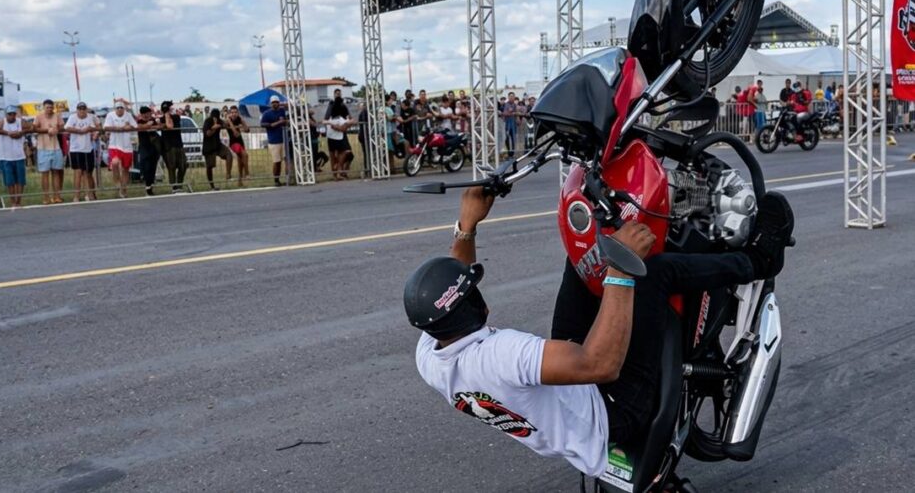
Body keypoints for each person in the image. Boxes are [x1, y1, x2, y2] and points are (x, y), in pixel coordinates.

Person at [406, 187, 794, 476]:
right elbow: (601, 365)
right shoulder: (501, 354)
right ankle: (759, 259)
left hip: (567, 397)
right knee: (653, 273)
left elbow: (453, 288)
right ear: (479, 306)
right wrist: (621, 268)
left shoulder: (431, 354)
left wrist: (468, 226)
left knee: (583, 258)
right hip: (612, 409)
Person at [0, 106, 27, 208]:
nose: (12, 116)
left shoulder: (20, 122)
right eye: (10, 114)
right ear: (6, 114)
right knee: (10, 181)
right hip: (5, 156)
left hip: (19, 155)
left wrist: (21, 133)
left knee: (20, 180)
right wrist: (6, 133)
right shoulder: (2, 122)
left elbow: (31, 128)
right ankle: (13, 201)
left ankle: (18, 201)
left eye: (13, 114)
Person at [31, 99, 65, 204]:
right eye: (47, 107)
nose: (49, 109)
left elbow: (62, 127)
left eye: (51, 107)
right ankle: (46, 197)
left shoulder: (57, 116)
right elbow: (34, 128)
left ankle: (57, 196)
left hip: (56, 147)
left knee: (56, 172)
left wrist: (57, 130)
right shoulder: (39, 117)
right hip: (43, 147)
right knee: (44, 173)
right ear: (44, 107)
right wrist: (47, 130)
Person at [65, 101, 100, 202]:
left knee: (87, 172)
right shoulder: (72, 117)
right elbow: (67, 127)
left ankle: (89, 194)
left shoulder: (90, 117)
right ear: (77, 110)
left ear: (86, 109)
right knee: (78, 172)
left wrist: (93, 131)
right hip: (76, 148)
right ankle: (76, 195)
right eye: (80, 109)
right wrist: (80, 131)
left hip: (88, 148)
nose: (82, 111)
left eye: (83, 109)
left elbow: (97, 126)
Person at [104, 101, 137, 198]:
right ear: (115, 109)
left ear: (124, 109)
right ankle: (118, 183)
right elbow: (106, 127)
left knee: (126, 169)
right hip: (114, 145)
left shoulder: (128, 115)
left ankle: (123, 188)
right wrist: (121, 128)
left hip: (127, 146)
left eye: (121, 108)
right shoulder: (110, 115)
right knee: (114, 163)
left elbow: (134, 126)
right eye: (117, 108)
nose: (119, 109)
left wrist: (128, 126)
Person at [159, 100, 188, 193]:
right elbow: (163, 124)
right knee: (171, 167)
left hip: (178, 144)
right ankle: (174, 187)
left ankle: (179, 184)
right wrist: (165, 117)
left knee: (183, 165)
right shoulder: (161, 119)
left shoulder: (176, 117)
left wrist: (166, 118)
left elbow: (170, 126)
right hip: (168, 146)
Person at [201, 108, 233, 190]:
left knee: (229, 154)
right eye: (214, 117)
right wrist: (213, 128)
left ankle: (228, 174)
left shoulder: (219, 120)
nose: (215, 119)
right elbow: (207, 134)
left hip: (217, 144)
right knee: (210, 166)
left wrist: (227, 121)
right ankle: (212, 186)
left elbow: (225, 126)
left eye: (216, 117)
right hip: (208, 146)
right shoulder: (208, 121)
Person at [261, 97, 288, 186]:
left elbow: (285, 120)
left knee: (286, 160)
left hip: (284, 139)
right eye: (273, 102)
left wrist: (284, 121)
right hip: (273, 141)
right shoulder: (267, 113)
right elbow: (262, 124)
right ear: (270, 104)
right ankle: (276, 180)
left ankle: (288, 179)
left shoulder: (282, 111)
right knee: (277, 162)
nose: (275, 104)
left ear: (279, 103)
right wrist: (276, 123)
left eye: (276, 102)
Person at [135, 105, 161, 195]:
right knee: (145, 166)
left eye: (150, 113)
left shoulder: (153, 120)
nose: (149, 115)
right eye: (147, 113)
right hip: (144, 146)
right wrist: (147, 126)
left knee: (152, 167)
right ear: (143, 114)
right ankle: (146, 181)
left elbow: (158, 127)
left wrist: (151, 126)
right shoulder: (139, 121)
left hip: (154, 146)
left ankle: (150, 185)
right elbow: (139, 127)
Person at [326, 102, 354, 180]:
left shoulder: (343, 115)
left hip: (341, 136)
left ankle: (340, 172)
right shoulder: (332, 116)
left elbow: (350, 123)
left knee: (347, 155)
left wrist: (345, 125)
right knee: (335, 155)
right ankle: (337, 173)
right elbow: (337, 127)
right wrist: (341, 127)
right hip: (334, 137)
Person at [225, 106, 250, 185]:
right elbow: (235, 133)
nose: (234, 114)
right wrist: (230, 121)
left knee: (241, 161)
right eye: (232, 112)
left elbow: (247, 130)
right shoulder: (228, 121)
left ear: (238, 113)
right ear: (230, 113)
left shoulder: (239, 119)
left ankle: (240, 180)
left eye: (235, 112)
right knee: (245, 155)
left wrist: (242, 121)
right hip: (233, 142)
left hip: (240, 141)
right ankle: (247, 174)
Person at [501, 92, 519, 156]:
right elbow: (503, 113)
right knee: (507, 138)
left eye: (513, 96)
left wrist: (516, 116)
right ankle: (508, 152)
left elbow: (517, 113)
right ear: (508, 97)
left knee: (513, 138)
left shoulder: (515, 105)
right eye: (510, 96)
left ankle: (512, 152)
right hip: (507, 124)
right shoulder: (505, 105)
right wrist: (510, 113)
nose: (512, 98)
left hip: (513, 124)